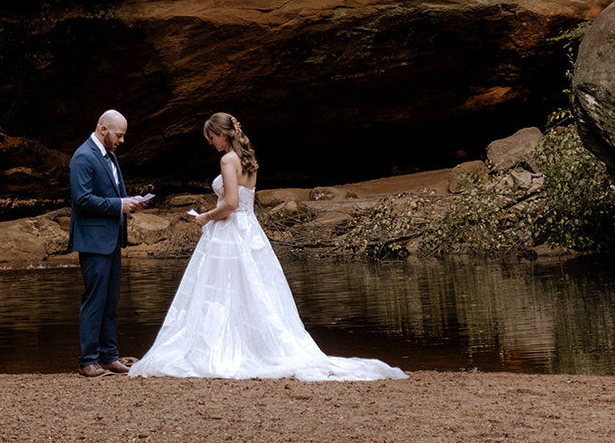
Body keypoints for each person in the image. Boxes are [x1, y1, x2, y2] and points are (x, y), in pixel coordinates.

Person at [128, 112, 407, 381]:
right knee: (252, 289)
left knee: (223, 289)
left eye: (211, 137)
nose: (210, 143)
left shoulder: (228, 160)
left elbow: (231, 204)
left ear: (222, 135)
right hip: (250, 231)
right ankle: (254, 343)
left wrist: (205, 217)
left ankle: (226, 346)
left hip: (229, 230)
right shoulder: (249, 160)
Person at [69, 109, 149, 377]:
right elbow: (82, 200)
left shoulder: (110, 156)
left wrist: (130, 202)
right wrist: (119, 205)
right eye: (119, 135)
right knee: (95, 300)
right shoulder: (82, 157)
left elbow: (111, 194)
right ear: (103, 129)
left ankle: (109, 356)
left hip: (111, 239)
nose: (122, 141)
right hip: (93, 241)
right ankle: (88, 360)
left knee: (110, 300)